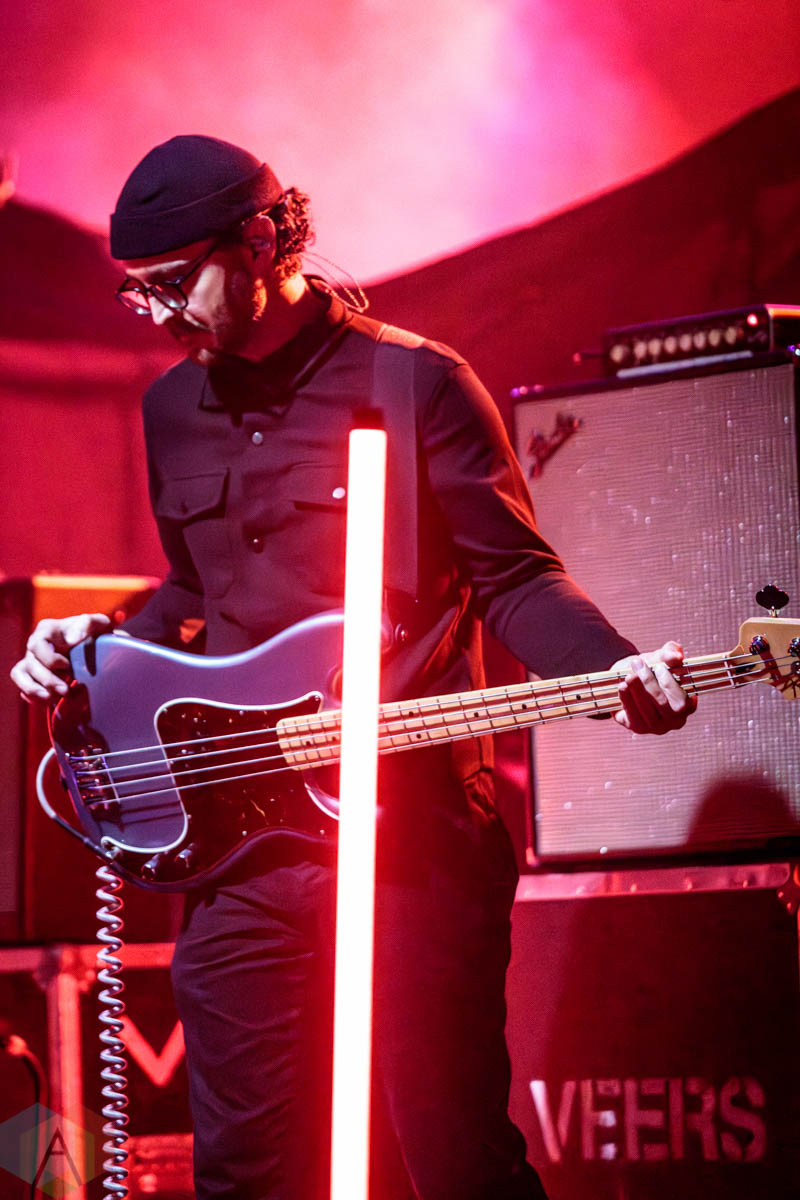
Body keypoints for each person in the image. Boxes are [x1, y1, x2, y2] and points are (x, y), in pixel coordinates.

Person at [11, 135, 696, 1200]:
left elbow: (515, 576)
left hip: (409, 830)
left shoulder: (416, 382)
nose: (157, 314)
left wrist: (615, 670)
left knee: (448, 1159)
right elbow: (196, 593)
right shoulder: (170, 408)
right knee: (243, 1170)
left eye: (173, 282)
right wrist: (98, 643)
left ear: (259, 240)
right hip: (241, 842)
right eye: (137, 292)